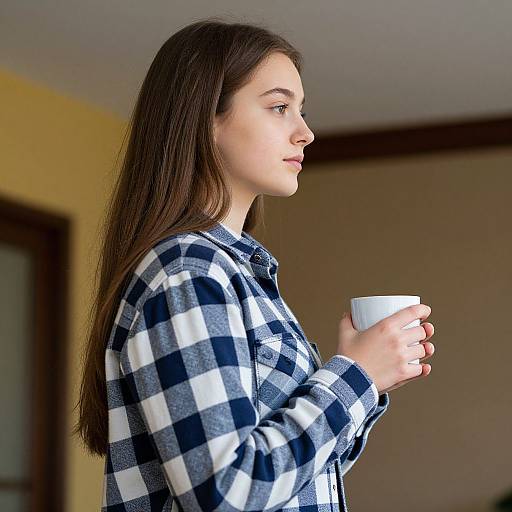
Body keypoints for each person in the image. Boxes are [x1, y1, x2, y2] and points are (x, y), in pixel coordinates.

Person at [73, 17, 435, 512]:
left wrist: (368, 380)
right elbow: (229, 493)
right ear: (206, 119)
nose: (306, 133)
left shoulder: (233, 271)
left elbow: (293, 483)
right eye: (280, 108)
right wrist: (357, 376)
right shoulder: (188, 272)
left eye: (300, 110)